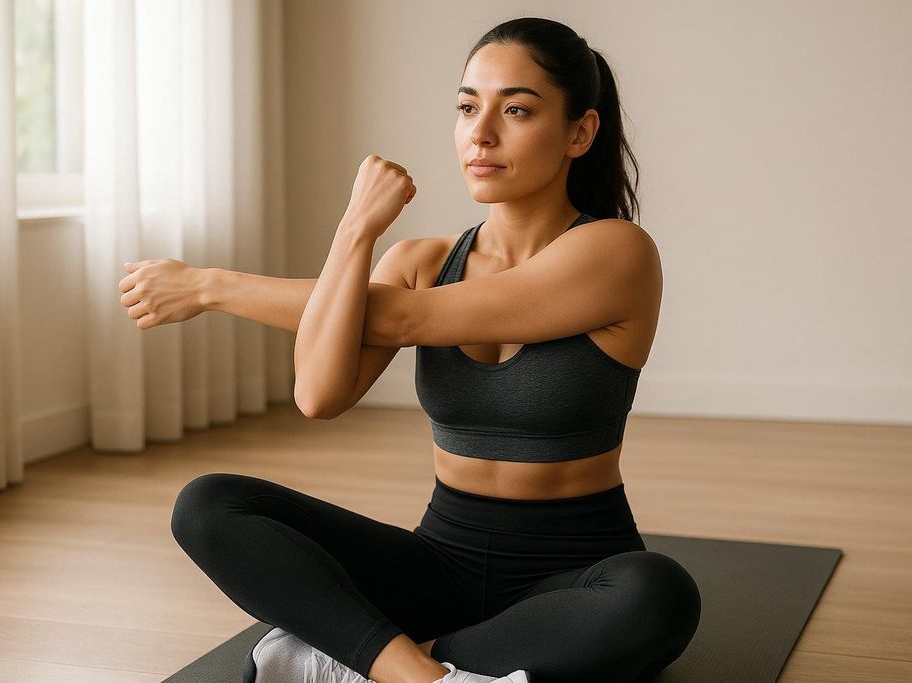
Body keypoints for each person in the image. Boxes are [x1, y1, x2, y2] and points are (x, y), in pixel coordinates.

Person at [120, 16, 700, 683]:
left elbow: (399, 319)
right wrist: (355, 229)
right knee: (210, 504)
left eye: (515, 110)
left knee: (658, 594)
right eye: (467, 107)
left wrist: (207, 286)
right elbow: (318, 395)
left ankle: (352, 658)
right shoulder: (421, 261)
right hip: (439, 565)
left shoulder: (616, 252)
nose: (481, 133)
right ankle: (423, 672)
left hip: (572, 572)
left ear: (580, 132)